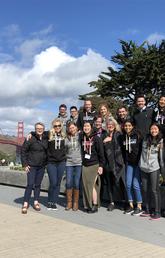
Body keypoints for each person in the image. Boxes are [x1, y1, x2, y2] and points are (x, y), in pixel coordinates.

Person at [139, 123, 165, 220]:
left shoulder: (161, 141)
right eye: (152, 129)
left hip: (154, 168)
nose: (153, 130)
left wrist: (162, 173)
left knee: (154, 190)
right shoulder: (145, 139)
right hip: (143, 167)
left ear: (158, 130)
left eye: (155, 129)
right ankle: (148, 210)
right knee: (145, 189)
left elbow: (161, 159)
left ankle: (157, 212)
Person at [21, 122, 48, 214]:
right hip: (31, 166)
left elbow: (54, 131)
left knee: (37, 185)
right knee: (30, 184)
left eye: (41, 128)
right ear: (35, 129)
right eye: (37, 128)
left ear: (43, 129)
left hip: (41, 166)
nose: (39, 130)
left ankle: (36, 202)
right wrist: (25, 164)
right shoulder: (30, 138)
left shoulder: (46, 137)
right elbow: (23, 151)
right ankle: (25, 203)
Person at [80, 122, 105, 213]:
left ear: (91, 127)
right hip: (85, 165)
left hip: (94, 165)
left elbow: (101, 154)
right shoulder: (82, 138)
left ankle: (94, 204)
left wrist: (101, 166)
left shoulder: (96, 139)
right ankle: (87, 204)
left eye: (88, 126)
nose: (86, 127)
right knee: (86, 186)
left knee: (92, 185)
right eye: (84, 126)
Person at [103, 119, 126, 211]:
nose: (110, 126)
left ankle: (125, 202)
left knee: (120, 183)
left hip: (119, 162)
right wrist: (105, 142)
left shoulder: (118, 134)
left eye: (112, 124)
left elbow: (121, 146)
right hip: (108, 163)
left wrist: (111, 140)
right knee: (110, 184)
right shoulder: (105, 135)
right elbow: (102, 147)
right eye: (109, 124)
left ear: (115, 125)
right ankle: (111, 202)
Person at [121, 119, 143, 215]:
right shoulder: (123, 137)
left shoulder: (137, 135)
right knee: (128, 184)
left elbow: (142, 149)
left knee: (135, 185)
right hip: (129, 163)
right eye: (126, 126)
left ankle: (139, 206)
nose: (127, 127)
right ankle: (130, 205)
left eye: (129, 125)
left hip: (137, 164)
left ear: (133, 126)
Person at [47, 119, 66, 210]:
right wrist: (31, 132)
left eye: (59, 126)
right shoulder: (48, 134)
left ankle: (54, 202)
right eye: (55, 126)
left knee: (58, 183)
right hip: (51, 162)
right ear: (53, 127)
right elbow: (38, 132)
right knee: (53, 182)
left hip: (61, 162)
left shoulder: (64, 136)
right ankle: (49, 200)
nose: (57, 127)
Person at [65, 122, 82, 211]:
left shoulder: (81, 136)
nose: (72, 129)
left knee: (76, 183)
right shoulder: (66, 138)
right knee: (68, 182)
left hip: (79, 163)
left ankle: (75, 203)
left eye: (73, 127)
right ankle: (69, 202)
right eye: (70, 128)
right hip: (69, 163)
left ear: (76, 127)